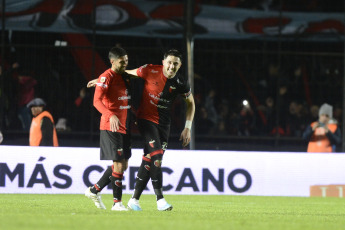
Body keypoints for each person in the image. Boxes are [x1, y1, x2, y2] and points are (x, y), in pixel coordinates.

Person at [87, 49, 195, 211]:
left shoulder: (181, 82)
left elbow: (191, 104)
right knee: (156, 156)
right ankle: (160, 200)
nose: (171, 67)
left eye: (175, 64)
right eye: (169, 62)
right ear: (163, 62)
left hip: (164, 125)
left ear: (180, 65)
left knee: (144, 160)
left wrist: (187, 127)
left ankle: (132, 200)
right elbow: (127, 72)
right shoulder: (149, 70)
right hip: (145, 119)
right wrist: (103, 79)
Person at [84, 47, 132, 211]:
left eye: (126, 60)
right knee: (118, 164)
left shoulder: (122, 75)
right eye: (122, 61)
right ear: (113, 61)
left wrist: (99, 79)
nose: (125, 63)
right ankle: (117, 204)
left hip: (124, 126)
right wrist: (109, 114)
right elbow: (96, 101)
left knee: (123, 165)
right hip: (110, 125)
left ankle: (94, 190)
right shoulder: (107, 76)